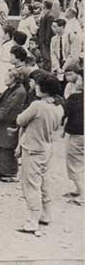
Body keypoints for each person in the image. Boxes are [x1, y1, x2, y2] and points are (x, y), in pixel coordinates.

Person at [16, 74, 64, 233]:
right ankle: (46, 214)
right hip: (47, 147)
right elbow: (57, 128)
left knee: (31, 185)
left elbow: (20, 120)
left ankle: (32, 220)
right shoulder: (59, 107)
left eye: (38, 85)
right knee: (44, 182)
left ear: (44, 89)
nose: (35, 87)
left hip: (32, 148)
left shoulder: (37, 105)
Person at [0, 68, 27, 181]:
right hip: (3, 121)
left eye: (7, 77)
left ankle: (9, 172)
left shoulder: (20, 92)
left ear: (13, 79)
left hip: (11, 121)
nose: (5, 79)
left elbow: (9, 105)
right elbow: (0, 100)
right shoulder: (9, 89)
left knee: (7, 145)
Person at [62, 63, 84, 206]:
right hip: (79, 133)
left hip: (77, 134)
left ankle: (82, 194)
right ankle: (78, 189)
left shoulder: (75, 98)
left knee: (74, 163)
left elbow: (64, 113)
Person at [0, 25, 16, 96]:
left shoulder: (9, 45)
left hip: (5, 67)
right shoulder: (3, 42)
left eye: (2, 32)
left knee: (2, 86)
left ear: (6, 34)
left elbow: (2, 56)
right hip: (0, 66)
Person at [37, 0, 55, 71]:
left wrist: (47, 41)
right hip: (42, 39)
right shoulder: (45, 14)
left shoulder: (50, 15)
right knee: (44, 56)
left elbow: (48, 30)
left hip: (45, 40)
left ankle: (47, 69)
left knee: (47, 56)